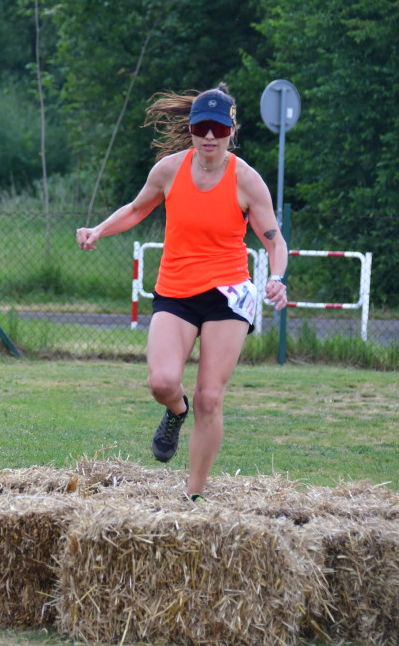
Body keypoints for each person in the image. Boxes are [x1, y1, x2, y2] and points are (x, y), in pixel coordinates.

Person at [75, 83, 288, 502]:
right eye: (201, 127)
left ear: (232, 130)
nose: (210, 136)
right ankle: (176, 411)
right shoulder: (169, 170)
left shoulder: (247, 180)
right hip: (175, 290)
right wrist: (98, 228)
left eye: (218, 128)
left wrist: (278, 277)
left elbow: (274, 240)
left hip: (227, 296)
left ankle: (193, 498)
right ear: (191, 129)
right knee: (162, 381)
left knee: (211, 397)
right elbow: (137, 209)